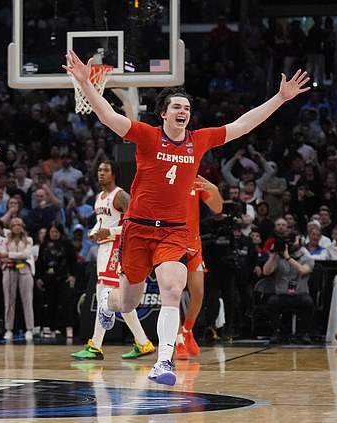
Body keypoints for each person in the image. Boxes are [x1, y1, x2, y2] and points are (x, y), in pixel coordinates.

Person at [64, 49, 310, 385]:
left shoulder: (198, 141)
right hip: (137, 229)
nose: (184, 111)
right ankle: (108, 303)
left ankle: (163, 362)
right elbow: (108, 116)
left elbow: (242, 125)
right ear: (163, 114)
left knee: (172, 287)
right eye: (177, 107)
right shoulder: (147, 135)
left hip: (174, 232)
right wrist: (87, 85)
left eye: (187, 108)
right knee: (126, 302)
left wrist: (280, 99)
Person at [71, 161, 155, 360]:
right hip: (104, 248)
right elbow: (102, 223)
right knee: (114, 299)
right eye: (99, 170)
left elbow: (135, 223)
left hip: (118, 248)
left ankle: (96, 345)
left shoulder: (121, 195)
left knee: (107, 296)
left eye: (106, 170)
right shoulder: (99, 197)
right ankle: (142, 342)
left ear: (114, 174)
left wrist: (111, 232)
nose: (101, 173)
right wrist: (94, 232)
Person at [175, 175, 223, 359]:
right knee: (175, 294)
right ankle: (178, 340)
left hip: (193, 245)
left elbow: (218, 208)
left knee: (198, 293)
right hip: (172, 244)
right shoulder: (168, 176)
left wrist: (214, 189)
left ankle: (187, 330)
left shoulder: (196, 180)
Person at [1, 217, 35, 341]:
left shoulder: (28, 240)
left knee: (27, 301)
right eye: (14, 225)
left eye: (19, 225)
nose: (16, 227)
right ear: (11, 227)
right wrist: (14, 257)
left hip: (25, 271)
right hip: (9, 271)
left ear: (22, 226)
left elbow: (26, 254)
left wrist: (9, 255)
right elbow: (1, 255)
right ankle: (8, 329)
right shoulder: (5, 241)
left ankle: (29, 329)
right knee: (9, 301)